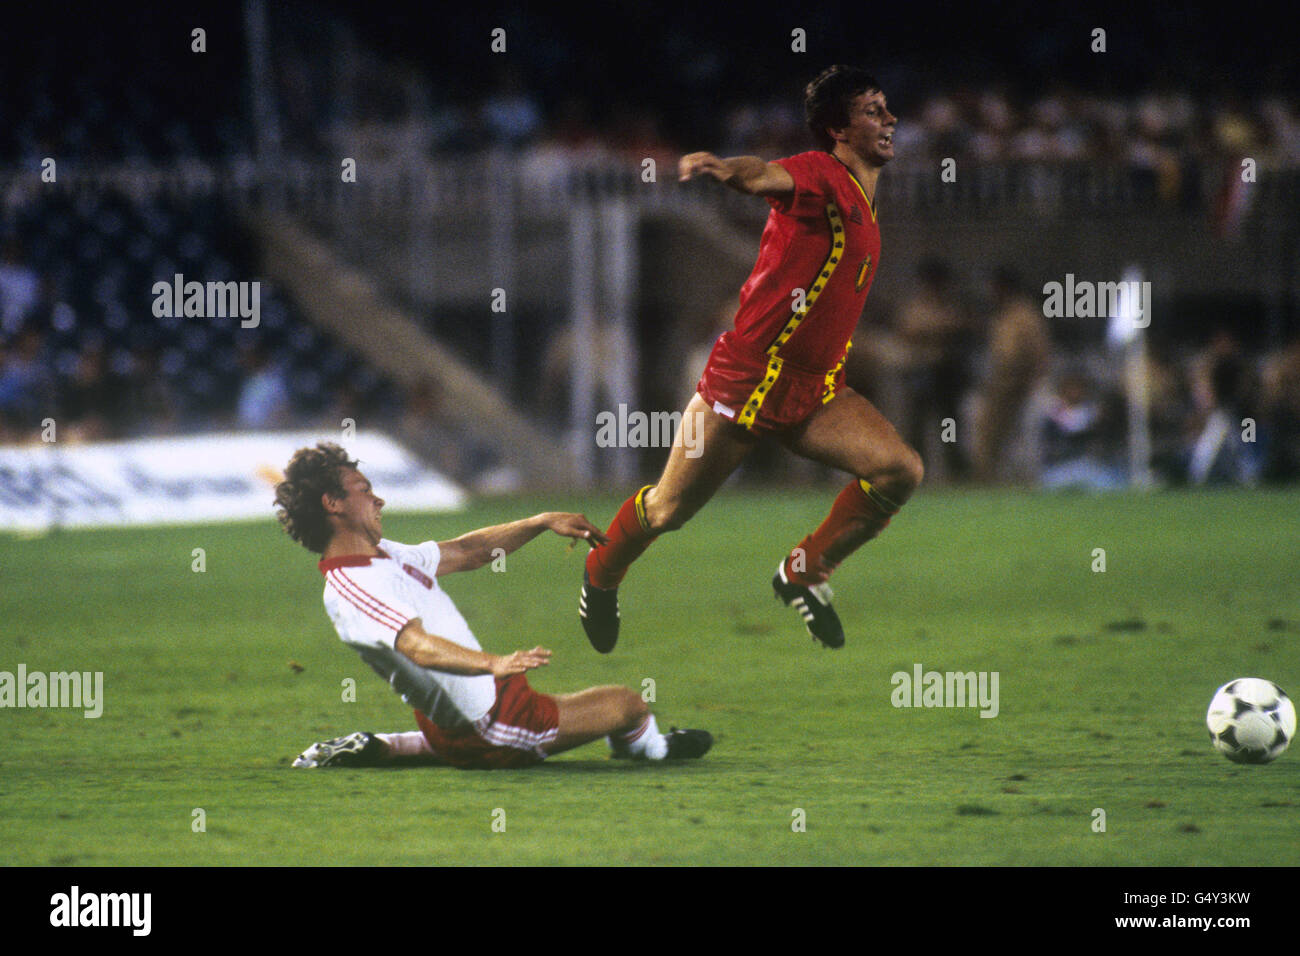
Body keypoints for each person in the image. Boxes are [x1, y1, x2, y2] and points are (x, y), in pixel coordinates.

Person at [580, 65, 923, 652]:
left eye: (887, 107)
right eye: (872, 110)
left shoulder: (866, 192)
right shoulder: (821, 173)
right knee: (666, 511)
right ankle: (599, 576)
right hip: (747, 381)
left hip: (816, 390)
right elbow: (765, 175)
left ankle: (804, 572)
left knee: (900, 470)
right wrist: (722, 168)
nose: (889, 118)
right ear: (838, 129)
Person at [274, 442, 712, 769]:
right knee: (628, 704)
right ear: (333, 504)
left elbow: (469, 551)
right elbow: (417, 646)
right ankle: (650, 749)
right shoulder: (352, 584)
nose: (378, 499)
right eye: (364, 490)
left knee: (478, 723)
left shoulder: (383, 555)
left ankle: (387, 746)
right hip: (494, 723)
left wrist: (540, 522)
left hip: (460, 715)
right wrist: (492, 662)